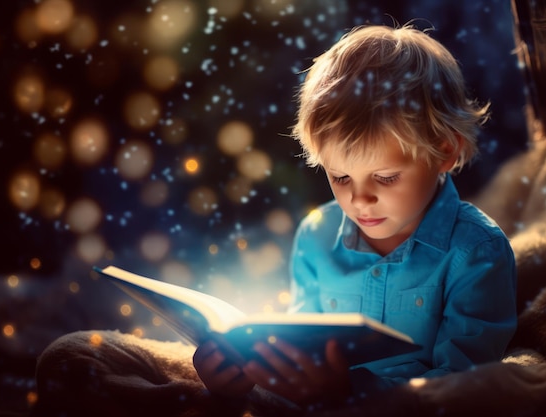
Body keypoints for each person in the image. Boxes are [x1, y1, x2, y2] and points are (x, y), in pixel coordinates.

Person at [192, 23, 517, 410]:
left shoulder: (477, 252)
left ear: (444, 152)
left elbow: (467, 386)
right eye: (340, 176)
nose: (359, 199)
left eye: (385, 177)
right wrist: (241, 374)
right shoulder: (315, 236)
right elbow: (298, 348)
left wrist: (351, 392)